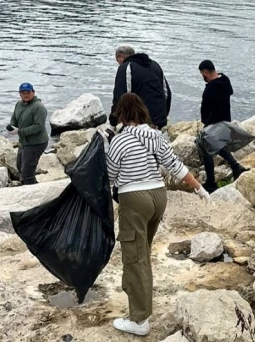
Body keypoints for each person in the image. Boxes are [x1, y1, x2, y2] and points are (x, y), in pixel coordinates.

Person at [107, 93, 209, 336]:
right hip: (158, 196)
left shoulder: (119, 140)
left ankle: (139, 320)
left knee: (135, 258)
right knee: (142, 252)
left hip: (135, 199)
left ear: (122, 114)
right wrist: (199, 187)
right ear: (142, 111)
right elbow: (174, 164)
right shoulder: (156, 136)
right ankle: (135, 293)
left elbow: (109, 175)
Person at [198, 60, 248, 193]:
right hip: (225, 121)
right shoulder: (225, 80)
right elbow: (229, 92)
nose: (203, 77)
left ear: (205, 72)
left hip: (214, 123)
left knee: (205, 148)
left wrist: (205, 121)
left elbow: (206, 108)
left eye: (202, 74)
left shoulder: (210, 89)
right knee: (218, 145)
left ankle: (210, 183)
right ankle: (236, 166)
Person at [111, 45, 172, 130]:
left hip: (140, 122)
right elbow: (167, 93)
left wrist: (113, 121)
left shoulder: (126, 67)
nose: (119, 64)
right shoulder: (154, 65)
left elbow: (120, 97)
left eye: (118, 61)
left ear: (121, 56)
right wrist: (164, 116)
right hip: (160, 121)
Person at [6, 82, 48, 185]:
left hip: (36, 142)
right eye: (23, 93)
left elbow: (38, 127)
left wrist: (19, 131)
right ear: (20, 94)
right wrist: (11, 126)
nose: (26, 95)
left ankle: (36, 193)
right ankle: (25, 186)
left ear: (33, 92)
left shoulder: (39, 107)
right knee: (20, 166)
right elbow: (14, 119)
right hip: (24, 141)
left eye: (28, 92)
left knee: (27, 173)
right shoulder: (19, 104)